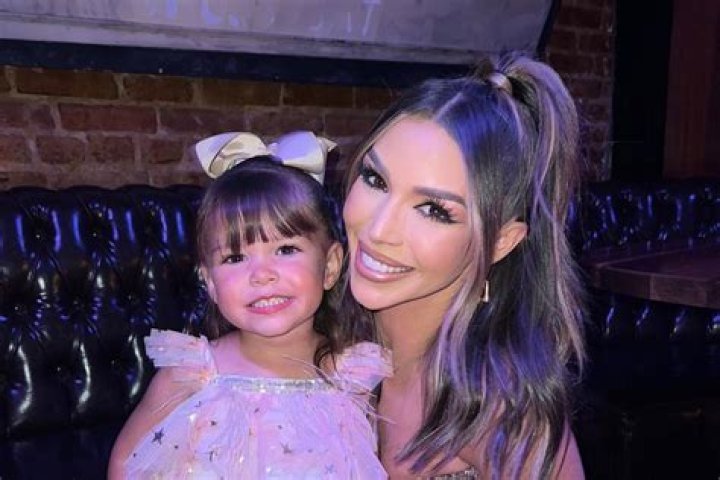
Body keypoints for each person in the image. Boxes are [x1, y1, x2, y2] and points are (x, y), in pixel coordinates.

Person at [340, 53, 586, 478]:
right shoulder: (328, 341)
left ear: (501, 243)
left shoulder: (500, 406)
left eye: (433, 210)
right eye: (376, 180)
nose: (378, 230)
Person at [108, 131, 391, 479]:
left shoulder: (352, 378)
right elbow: (126, 463)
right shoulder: (191, 373)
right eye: (235, 257)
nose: (261, 275)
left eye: (285, 250)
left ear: (330, 266)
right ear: (211, 282)